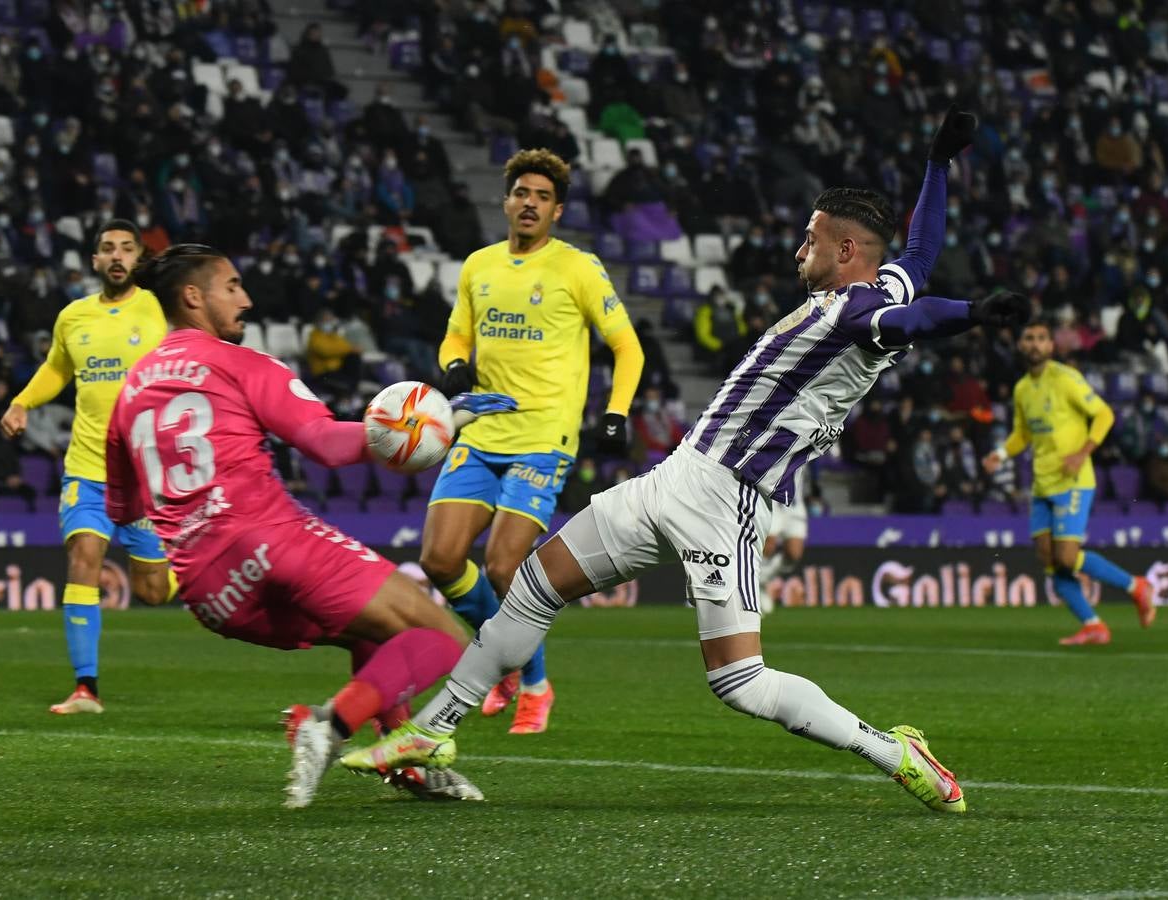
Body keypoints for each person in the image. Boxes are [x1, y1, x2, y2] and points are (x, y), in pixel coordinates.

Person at [344, 107, 1023, 814]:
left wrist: (970, 313)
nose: (799, 248)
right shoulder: (875, 287)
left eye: (811, 238)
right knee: (536, 582)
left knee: (739, 682)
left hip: (725, 497)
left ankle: (894, 752)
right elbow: (919, 253)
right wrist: (937, 164)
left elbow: (911, 318)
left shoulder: (854, 314)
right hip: (677, 475)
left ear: (847, 249)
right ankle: (433, 730)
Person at [105, 243, 511, 806]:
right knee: (445, 638)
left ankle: (405, 767)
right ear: (194, 297)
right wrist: (433, 423)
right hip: (271, 539)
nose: (245, 298)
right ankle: (329, 724)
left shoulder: (129, 391)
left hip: (210, 591)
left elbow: (123, 509)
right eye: (232, 286)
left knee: (377, 630)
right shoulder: (239, 361)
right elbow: (324, 443)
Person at [423, 148, 644, 735]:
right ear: (507, 201)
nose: (530, 203)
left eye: (542, 197)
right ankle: (500, 662)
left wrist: (616, 411)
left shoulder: (578, 268)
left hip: (544, 437)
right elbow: (455, 339)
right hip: (480, 430)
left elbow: (628, 346)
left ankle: (534, 684)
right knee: (440, 559)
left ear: (557, 210)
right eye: (522, 192)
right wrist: (453, 369)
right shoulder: (479, 266)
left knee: (503, 565)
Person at [0, 220, 175, 714]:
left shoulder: (161, 310)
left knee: (154, 591)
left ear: (137, 258)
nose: (116, 256)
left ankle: (186, 568)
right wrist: (21, 403)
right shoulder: (73, 317)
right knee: (83, 557)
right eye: (106, 249)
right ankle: (86, 688)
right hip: (88, 467)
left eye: (125, 249)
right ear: (94, 260)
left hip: (145, 475)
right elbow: (57, 367)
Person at [983, 319, 1155, 646]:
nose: (1035, 344)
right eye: (1029, 338)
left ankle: (1137, 586)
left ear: (1051, 346)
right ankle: (1093, 625)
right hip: (1042, 484)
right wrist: (1001, 455)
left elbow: (1104, 415)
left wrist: (1082, 452)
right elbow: (1023, 434)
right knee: (1049, 561)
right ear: (1021, 345)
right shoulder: (1022, 389)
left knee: (1065, 557)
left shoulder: (1066, 379)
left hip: (1073, 481)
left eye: (1041, 339)